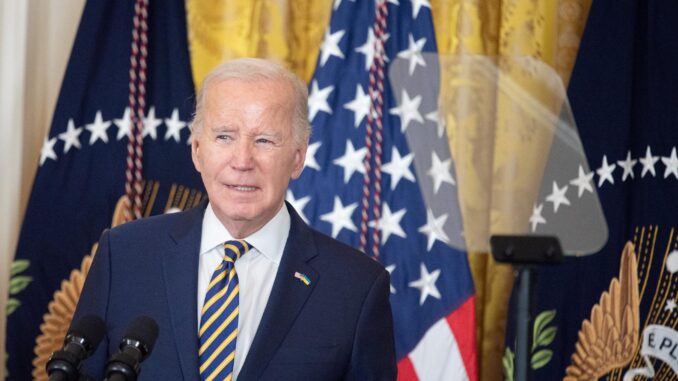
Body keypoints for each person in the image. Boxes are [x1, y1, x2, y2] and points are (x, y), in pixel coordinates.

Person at [72, 58, 397, 380]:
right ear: (197, 149)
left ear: (298, 158)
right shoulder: (123, 254)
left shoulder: (357, 287)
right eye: (225, 136)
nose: (242, 161)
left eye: (264, 140)